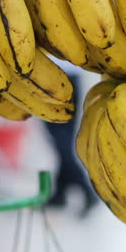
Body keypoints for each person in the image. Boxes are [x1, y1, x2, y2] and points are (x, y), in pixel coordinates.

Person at [42, 65, 98, 217]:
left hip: (50, 80)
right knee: (64, 137)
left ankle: (86, 188)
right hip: (73, 77)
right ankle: (60, 192)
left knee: (60, 139)